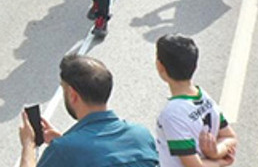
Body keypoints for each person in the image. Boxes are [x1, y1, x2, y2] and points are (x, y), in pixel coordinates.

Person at [18, 54, 158, 167]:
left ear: (73, 95)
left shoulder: (63, 151)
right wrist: (64, 141)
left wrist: (28, 145)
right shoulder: (141, 135)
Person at [153, 35, 238, 167]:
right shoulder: (203, 96)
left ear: (159, 66)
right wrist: (216, 153)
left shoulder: (172, 114)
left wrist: (219, 162)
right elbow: (229, 137)